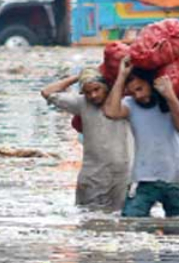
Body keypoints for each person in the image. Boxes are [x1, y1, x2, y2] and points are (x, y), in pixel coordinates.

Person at [103, 57, 179, 218]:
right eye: (132, 92)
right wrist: (121, 76)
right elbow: (110, 112)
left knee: (177, 232)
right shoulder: (131, 105)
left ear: (152, 84)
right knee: (130, 223)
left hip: (178, 179)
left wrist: (170, 95)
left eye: (140, 89)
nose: (137, 96)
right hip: (144, 178)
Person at [41, 67, 132, 212]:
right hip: (92, 176)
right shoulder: (82, 104)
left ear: (106, 87)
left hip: (122, 176)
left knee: (119, 221)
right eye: (88, 92)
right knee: (87, 219)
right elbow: (47, 92)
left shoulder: (124, 104)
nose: (93, 95)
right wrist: (78, 77)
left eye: (97, 89)